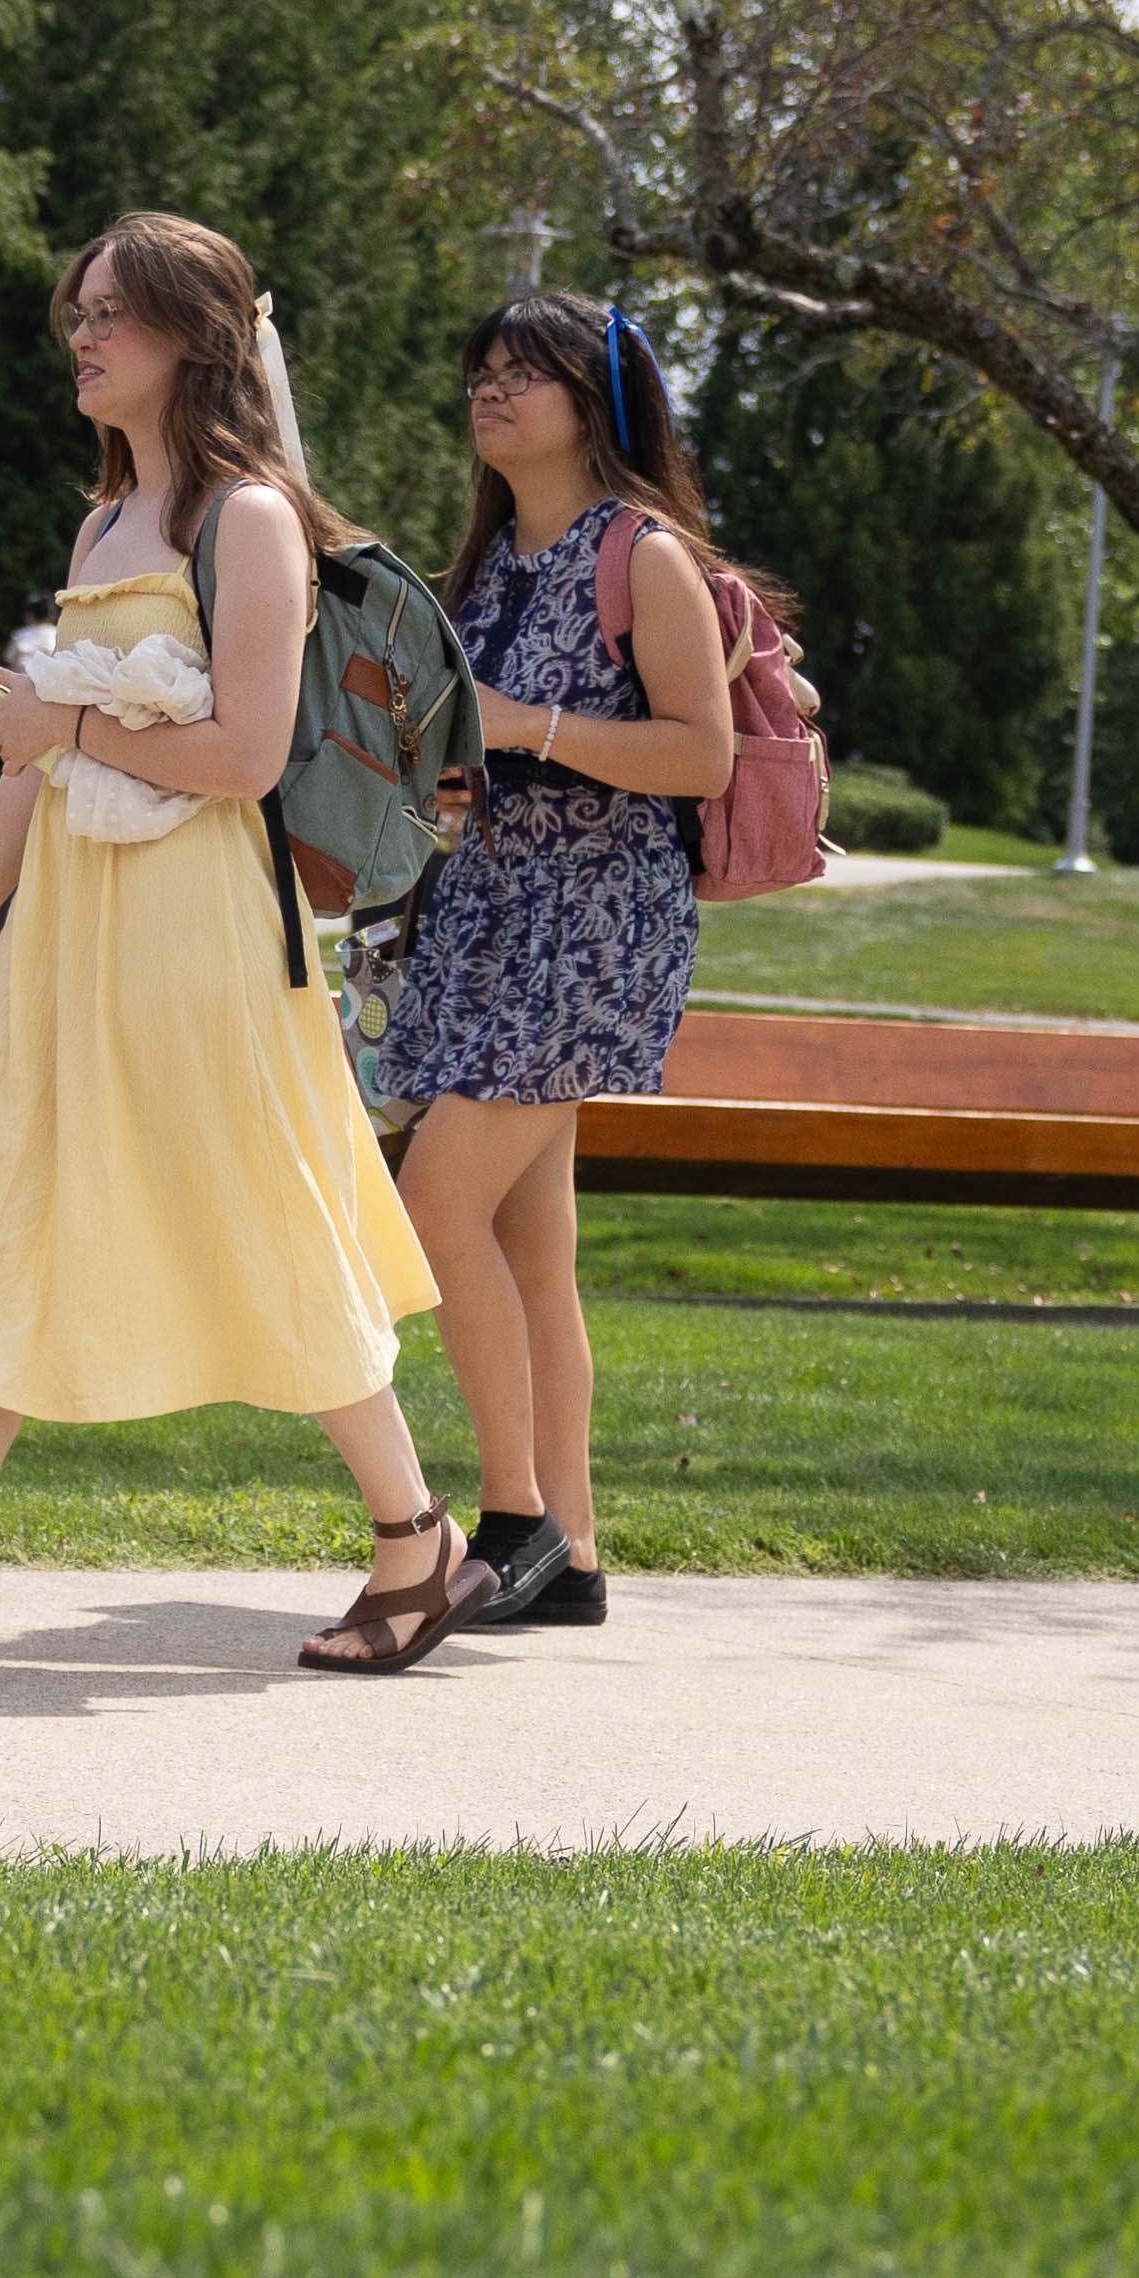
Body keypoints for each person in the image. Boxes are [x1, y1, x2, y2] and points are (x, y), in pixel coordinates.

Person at [0, 210, 461, 1675]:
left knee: (254, 1206)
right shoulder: (101, 521)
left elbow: (247, 755)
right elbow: (32, 766)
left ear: (195, 338)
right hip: (71, 921)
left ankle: (415, 1538)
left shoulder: (247, 518)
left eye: (112, 317)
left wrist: (60, 720)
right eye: (77, 313)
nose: (81, 337)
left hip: (196, 930)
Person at [385, 291, 768, 1631]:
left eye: (520, 374)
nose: (489, 392)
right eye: (478, 371)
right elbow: (465, 743)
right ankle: (576, 1555)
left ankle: (512, 1518)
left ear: (589, 401)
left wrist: (522, 723)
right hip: (489, 904)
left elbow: (698, 753)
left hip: (596, 920)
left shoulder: (639, 552)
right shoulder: (487, 564)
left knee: (432, 1208)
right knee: (524, 1246)